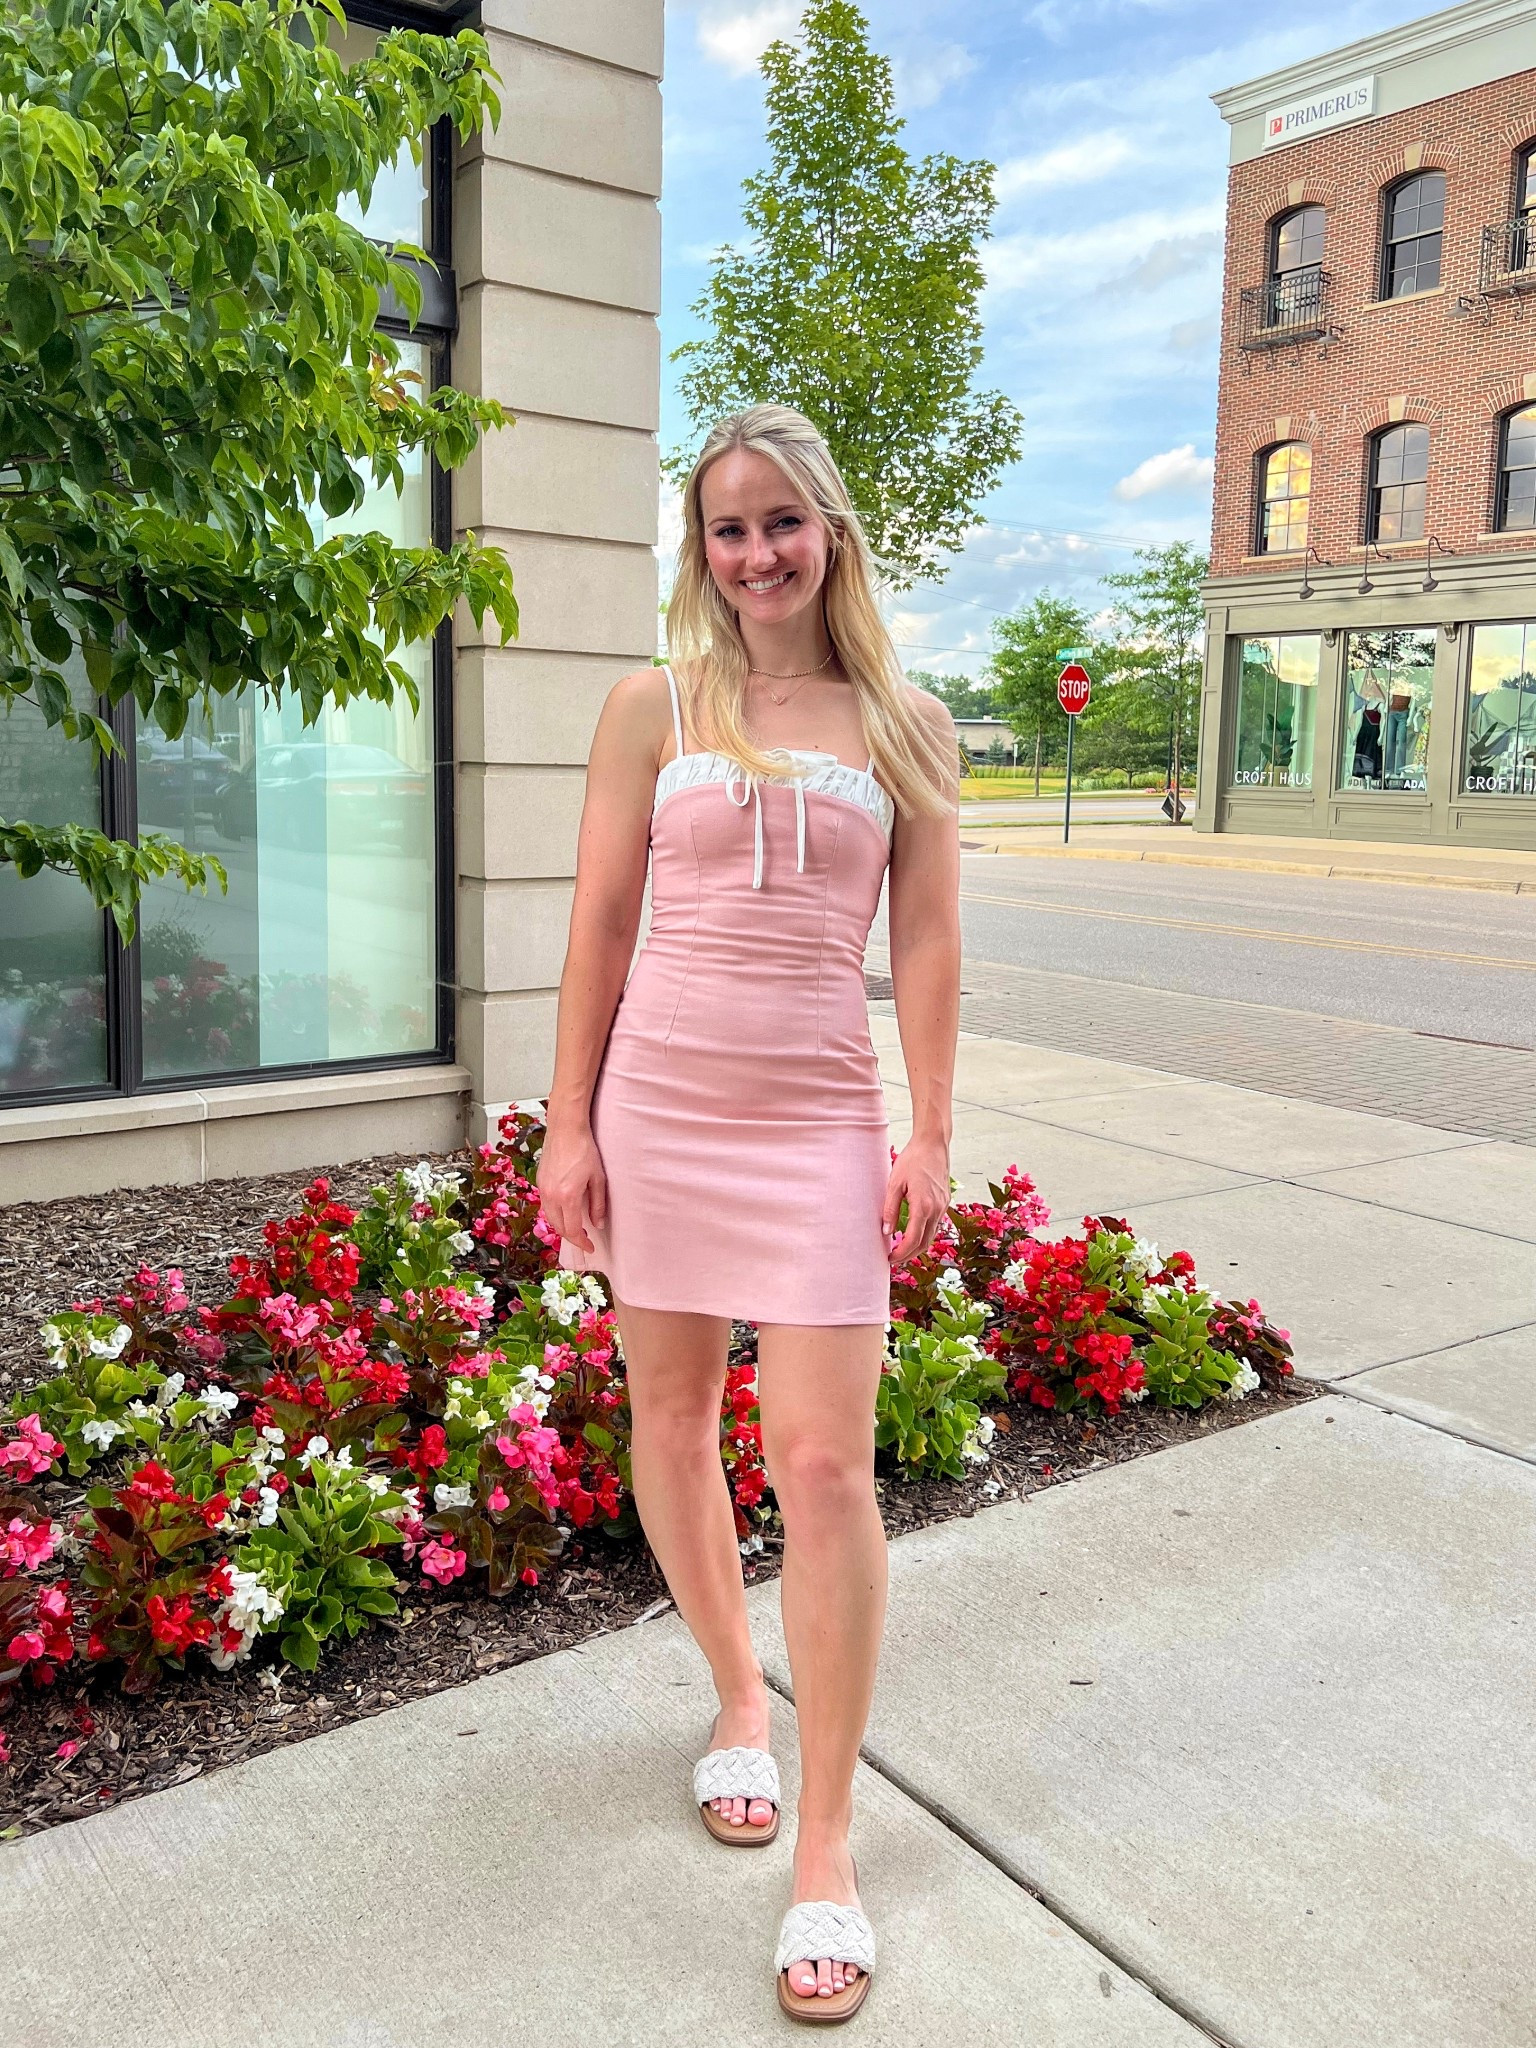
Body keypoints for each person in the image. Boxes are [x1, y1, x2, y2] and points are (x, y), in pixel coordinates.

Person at [535, 402, 961, 2023]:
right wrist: (567, 1121)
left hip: (814, 1123)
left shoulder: (904, 724)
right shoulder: (655, 705)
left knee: (827, 1462)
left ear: (830, 533)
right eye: (727, 527)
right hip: (661, 1108)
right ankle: (736, 1699)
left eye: (784, 521)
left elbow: (922, 945)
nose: (757, 553)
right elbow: (600, 921)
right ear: (698, 550)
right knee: (672, 1415)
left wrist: (932, 1126)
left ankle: (832, 1846)